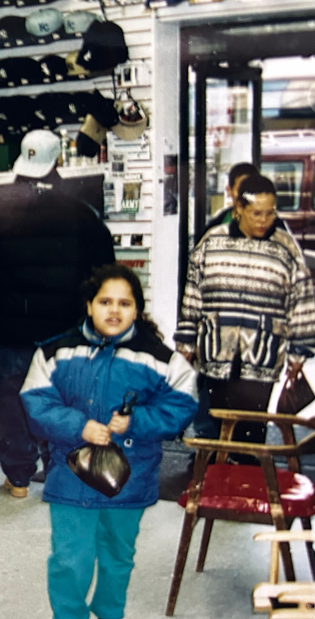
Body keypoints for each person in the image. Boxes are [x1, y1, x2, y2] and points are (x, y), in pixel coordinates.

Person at [0, 129, 114, 498]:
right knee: (61, 399)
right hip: (63, 325)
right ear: (58, 162)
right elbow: (104, 268)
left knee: (12, 397)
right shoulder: (80, 213)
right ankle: (59, 473)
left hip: (11, 326)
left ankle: (18, 477)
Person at [21, 264, 198, 619]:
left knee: (118, 557)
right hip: (71, 477)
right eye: (104, 302)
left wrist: (137, 421)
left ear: (137, 310)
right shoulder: (55, 352)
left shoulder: (160, 359)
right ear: (88, 305)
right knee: (69, 560)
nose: (114, 311)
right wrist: (79, 426)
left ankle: (109, 612)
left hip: (129, 480)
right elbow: (36, 401)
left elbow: (184, 402)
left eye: (125, 303)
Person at [176, 173, 315, 448]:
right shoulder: (212, 242)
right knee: (217, 428)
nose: (265, 220)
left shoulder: (285, 248)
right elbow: (192, 294)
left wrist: (300, 352)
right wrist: (186, 340)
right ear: (239, 208)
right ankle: (217, 482)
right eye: (256, 213)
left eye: (270, 213)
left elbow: (303, 302)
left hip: (262, 355)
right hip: (216, 352)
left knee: (251, 430)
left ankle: (248, 482)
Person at [199, 162, 286, 238]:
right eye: (241, 190)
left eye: (251, 190)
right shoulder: (214, 230)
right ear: (229, 190)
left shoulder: (278, 233)